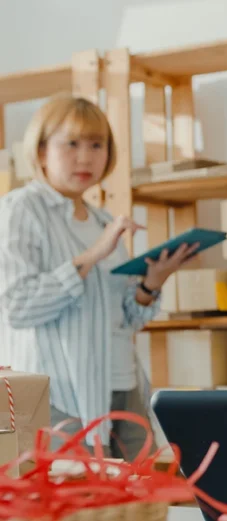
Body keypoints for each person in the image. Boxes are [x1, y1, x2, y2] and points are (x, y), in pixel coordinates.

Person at [0, 95, 196, 458]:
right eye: (71, 143)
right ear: (42, 151)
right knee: (76, 504)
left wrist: (152, 283)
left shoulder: (105, 222)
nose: (86, 157)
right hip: (58, 394)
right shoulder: (19, 210)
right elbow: (18, 306)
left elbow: (128, 317)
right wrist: (92, 256)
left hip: (123, 387)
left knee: (138, 502)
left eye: (97, 144)